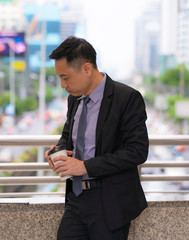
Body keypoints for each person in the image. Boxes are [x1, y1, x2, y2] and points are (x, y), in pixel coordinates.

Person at [45, 36, 149, 240]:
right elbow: (68, 137)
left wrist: (85, 167)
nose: (62, 85)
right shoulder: (74, 98)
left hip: (110, 203)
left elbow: (137, 151)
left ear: (86, 68)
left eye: (66, 77)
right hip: (76, 200)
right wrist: (58, 151)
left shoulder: (127, 98)